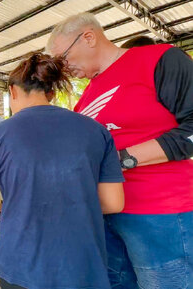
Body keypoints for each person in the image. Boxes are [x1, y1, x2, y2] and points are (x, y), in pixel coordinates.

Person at [47, 12, 193, 288]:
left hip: (159, 214)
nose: (63, 69)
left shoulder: (160, 59)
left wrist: (122, 160)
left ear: (88, 37)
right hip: (105, 214)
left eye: (63, 58)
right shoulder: (86, 96)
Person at [0, 53, 125, 289]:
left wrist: (2, 204)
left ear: (12, 91)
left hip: (20, 263)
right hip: (81, 263)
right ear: (51, 93)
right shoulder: (97, 131)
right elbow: (114, 203)